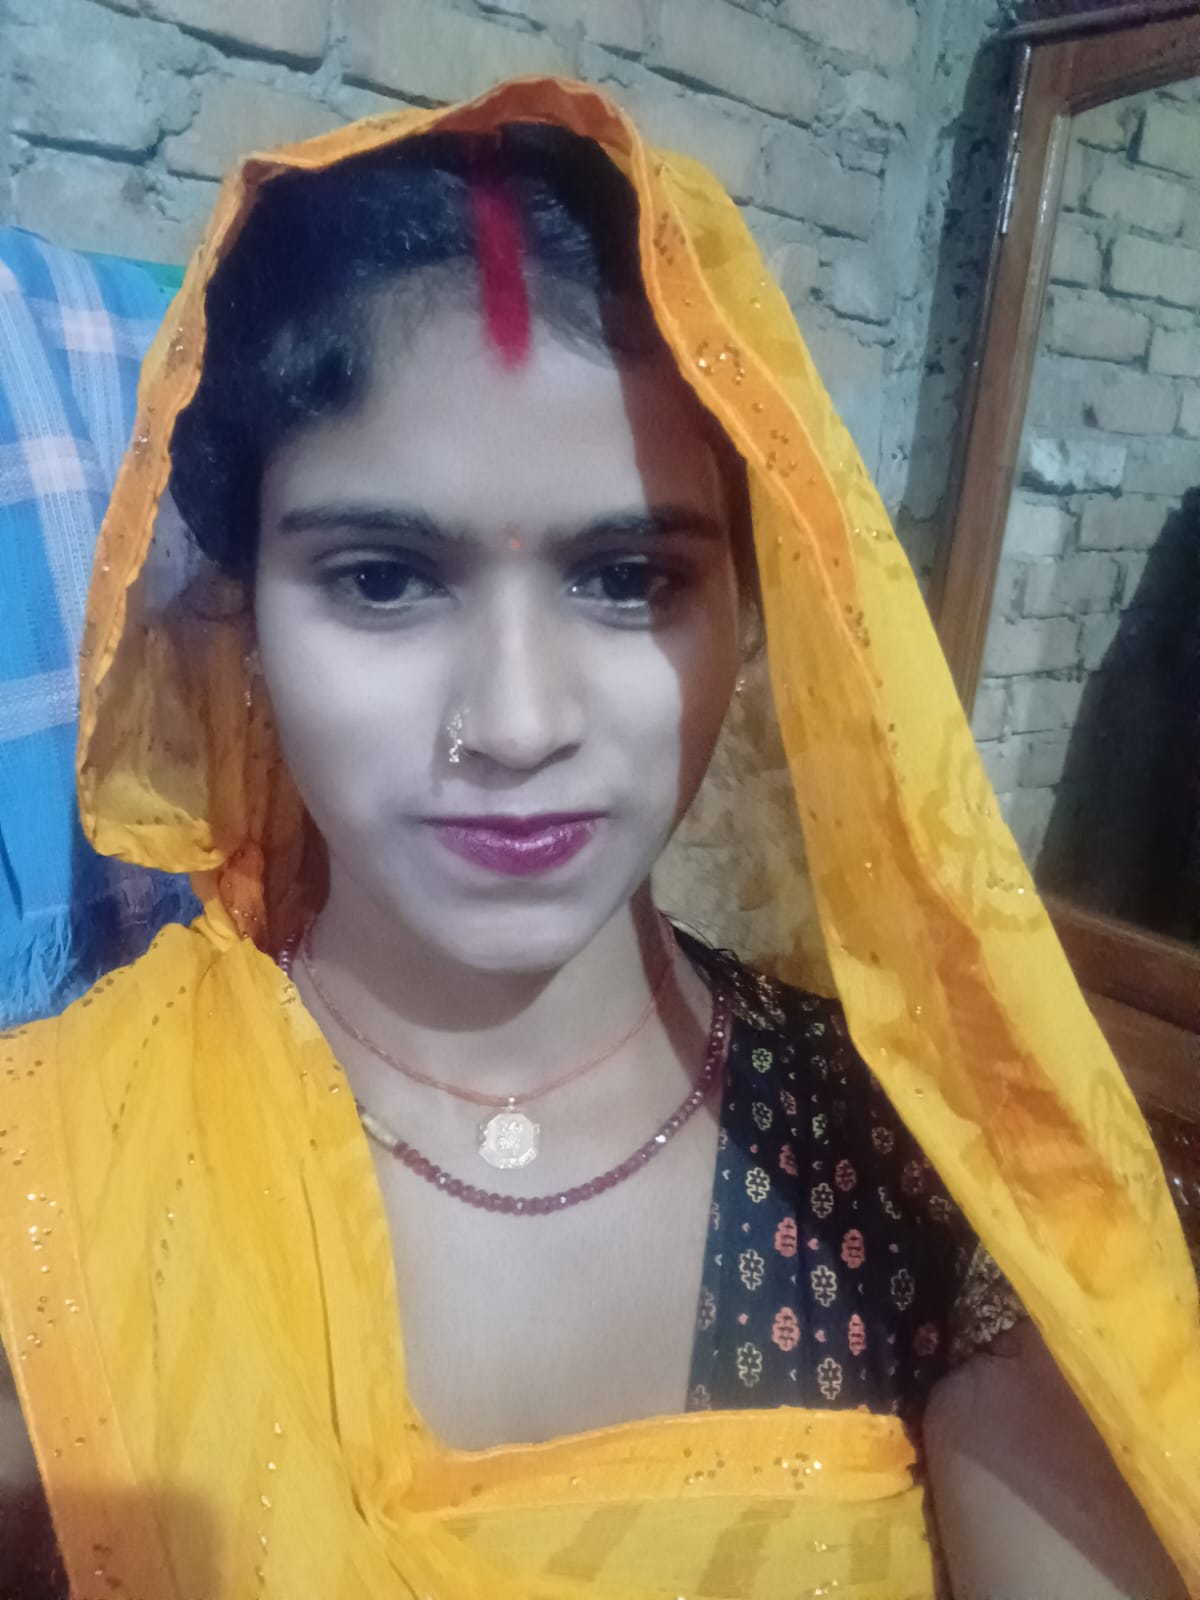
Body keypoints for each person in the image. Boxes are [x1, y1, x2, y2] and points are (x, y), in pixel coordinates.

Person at [0, 76, 1196, 1600]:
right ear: (237, 621)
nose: (514, 724)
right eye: (382, 578)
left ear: (755, 618)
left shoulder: (916, 1172)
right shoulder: (57, 1176)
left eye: (628, 579)